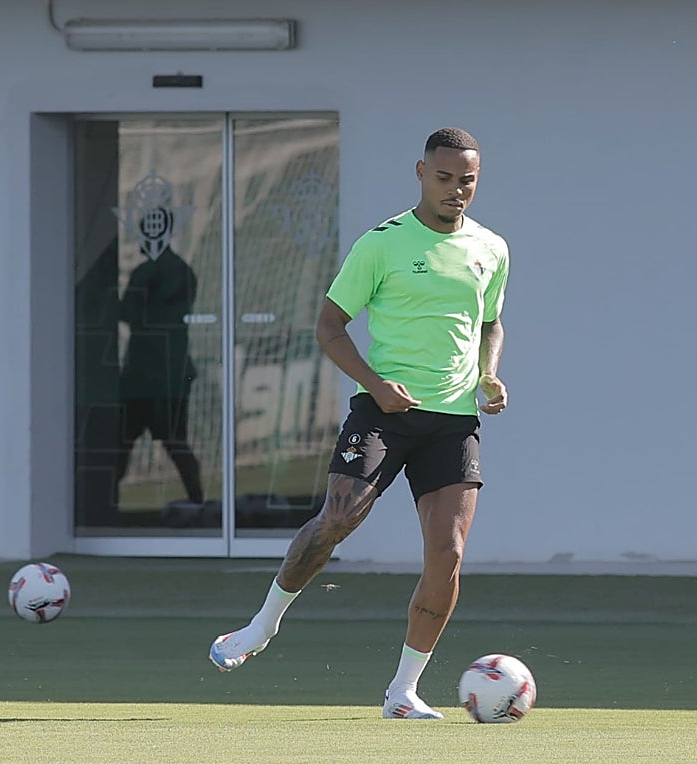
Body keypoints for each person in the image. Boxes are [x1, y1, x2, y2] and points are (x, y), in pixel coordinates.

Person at [208, 127, 510, 719]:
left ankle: (403, 692)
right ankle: (260, 627)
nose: (456, 190)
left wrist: (489, 373)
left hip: (453, 419)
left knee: (447, 555)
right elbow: (328, 327)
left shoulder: (492, 248)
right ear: (421, 172)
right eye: (444, 178)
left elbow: (490, 322)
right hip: (382, 413)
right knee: (337, 520)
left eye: (467, 180)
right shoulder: (382, 244)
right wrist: (376, 385)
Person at [116, 233, 204, 512]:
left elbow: (130, 313)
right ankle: (198, 501)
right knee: (174, 442)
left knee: (125, 444)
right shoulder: (183, 271)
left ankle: (104, 507)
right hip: (169, 373)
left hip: (148, 376)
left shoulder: (149, 273)